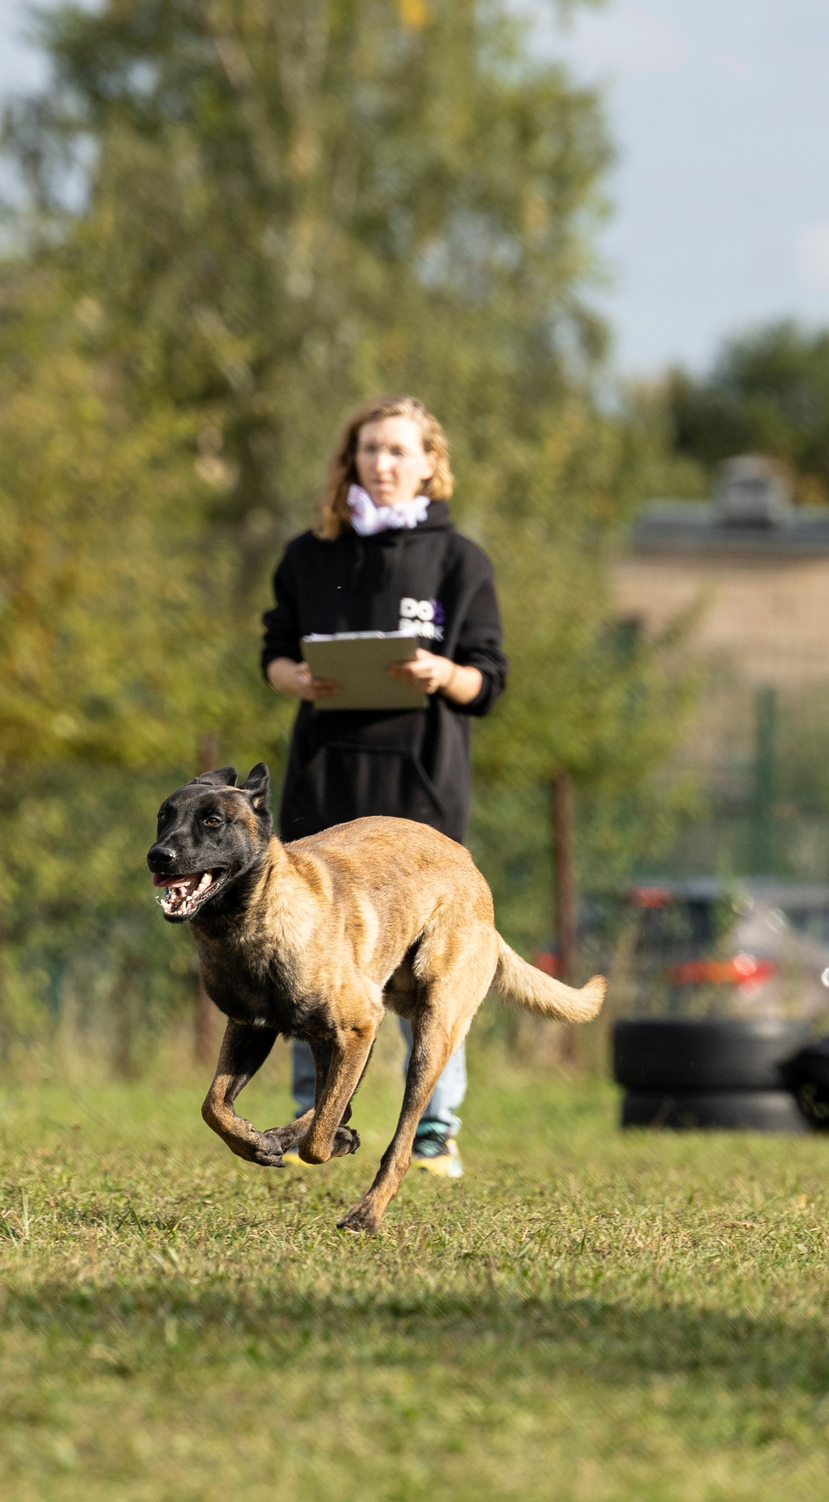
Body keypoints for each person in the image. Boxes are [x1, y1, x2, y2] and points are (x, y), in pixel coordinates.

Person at [261, 395, 507, 1180]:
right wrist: (292, 675)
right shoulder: (310, 554)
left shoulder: (460, 561)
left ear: (431, 462)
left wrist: (444, 672)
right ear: (351, 460)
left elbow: (489, 681)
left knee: (430, 974)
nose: (383, 462)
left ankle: (434, 1130)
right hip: (327, 786)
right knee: (309, 962)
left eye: (399, 450)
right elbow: (272, 651)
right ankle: (317, 1122)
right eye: (369, 449)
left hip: (421, 789)